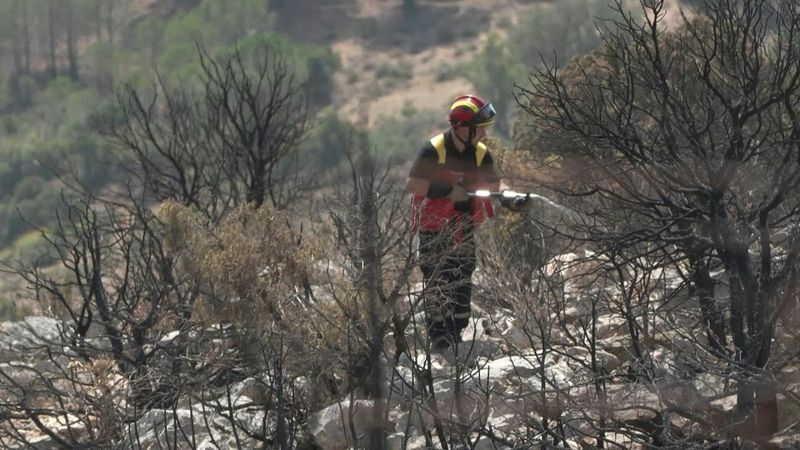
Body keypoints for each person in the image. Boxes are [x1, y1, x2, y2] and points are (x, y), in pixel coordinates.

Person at [406, 94, 527, 351]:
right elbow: (414, 184)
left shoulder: (481, 154)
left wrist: (507, 193)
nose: (484, 133)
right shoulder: (434, 149)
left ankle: (457, 333)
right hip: (434, 230)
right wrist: (447, 190)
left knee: (462, 280)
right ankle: (440, 341)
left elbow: (495, 183)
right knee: (439, 281)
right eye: (479, 127)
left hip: (463, 228)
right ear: (461, 126)